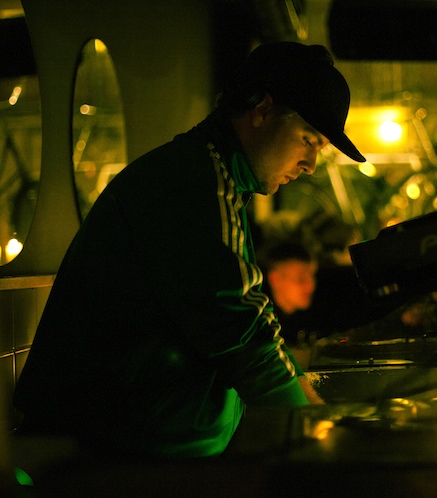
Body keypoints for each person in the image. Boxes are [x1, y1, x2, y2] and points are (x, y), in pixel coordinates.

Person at [13, 42, 365, 458]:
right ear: (263, 109)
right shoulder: (194, 184)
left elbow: (248, 323)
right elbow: (242, 335)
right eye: (308, 140)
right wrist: (323, 435)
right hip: (105, 459)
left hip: (132, 452)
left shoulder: (214, 177)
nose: (310, 165)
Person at [260, 240, 318, 370]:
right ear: (275, 279)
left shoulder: (309, 319)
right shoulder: (261, 325)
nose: (310, 286)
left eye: (312, 276)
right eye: (301, 279)